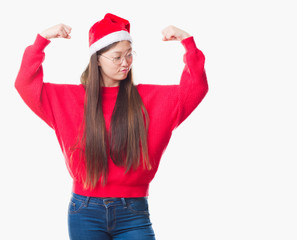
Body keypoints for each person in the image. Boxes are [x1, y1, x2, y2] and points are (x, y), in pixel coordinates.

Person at [15, 13, 208, 240]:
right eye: (116, 57)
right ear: (97, 58)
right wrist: (41, 41)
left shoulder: (149, 99)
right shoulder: (68, 98)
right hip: (84, 211)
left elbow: (195, 88)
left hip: (134, 212)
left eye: (129, 55)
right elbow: (25, 84)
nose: (125, 63)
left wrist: (187, 42)